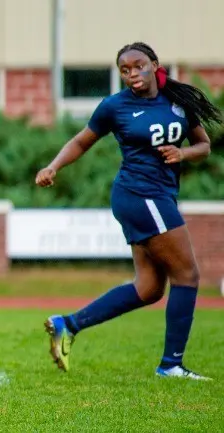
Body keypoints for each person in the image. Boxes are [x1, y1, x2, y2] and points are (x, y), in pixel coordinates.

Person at [36, 42, 222, 380]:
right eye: (125, 70)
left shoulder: (178, 100)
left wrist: (183, 155)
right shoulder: (115, 107)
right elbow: (81, 141)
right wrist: (53, 166)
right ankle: (171, 365)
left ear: (154, 64)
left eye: (138, 66)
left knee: (150, 288)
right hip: (139, 195)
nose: (132, 74)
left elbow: (204, 145)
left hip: (159, 196)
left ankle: (69, 325)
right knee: (188, 275)